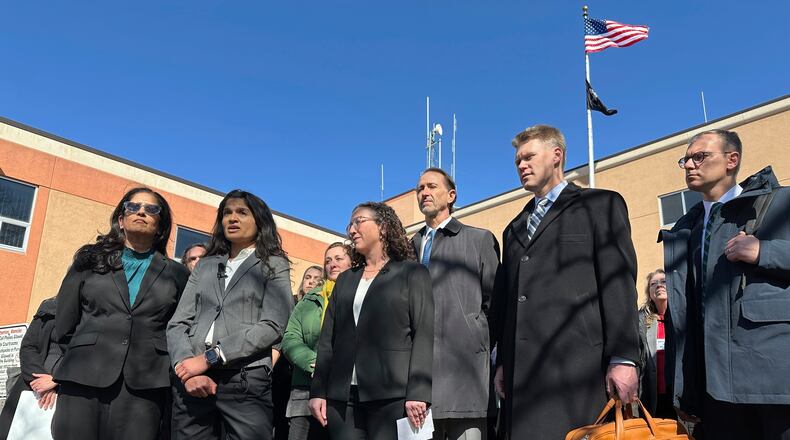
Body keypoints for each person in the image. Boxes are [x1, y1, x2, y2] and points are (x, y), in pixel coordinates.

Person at [491, 125, 640, 440]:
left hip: (579, 370)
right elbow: (510, 300)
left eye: (529, 157)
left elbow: (618, 284)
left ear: (556, 155)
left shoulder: (600, 205)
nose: (521, 166)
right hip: (524, 375)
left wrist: (624, 358)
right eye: (517, 160)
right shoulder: (513, 228)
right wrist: (503, 361)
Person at [660, 129, 790, 439]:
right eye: (686, 159)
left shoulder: (779, 202)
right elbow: (683, 314)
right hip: (714, 389)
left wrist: (764, 251)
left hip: (775, 383)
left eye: (700, 156)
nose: (690, 165)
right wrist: (684, 388)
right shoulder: (684, 229)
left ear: (732, 160)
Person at [51, 187, 190, 440]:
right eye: (133, 207)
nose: (141, 212)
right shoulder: (90, 260)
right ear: (121, 220)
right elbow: (64, 322)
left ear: (160, 226)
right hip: (82, 376)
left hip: (144, 385)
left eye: (151, 209)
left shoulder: (177, 274)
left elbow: (179, 328)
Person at [167, 189, 294, 440]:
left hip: (245, 379)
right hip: (192, 378)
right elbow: (178, 323)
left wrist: (211, 357)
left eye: (242, 212)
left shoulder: (274, 264)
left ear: (259, 220)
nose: (232, 218)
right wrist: (185, 368)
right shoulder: (205, 265)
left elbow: (274, 324)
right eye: (227, 213)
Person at [308, 202, 434, 440]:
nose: (352, 230)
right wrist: (318, 390)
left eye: (359, 221)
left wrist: (418, 392)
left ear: (383, 227)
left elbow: (424, 334)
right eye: (350, 224)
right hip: (342, 397)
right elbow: (327, 339)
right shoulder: (345, 280)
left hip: (393, 395)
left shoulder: (412, 273)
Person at [410, 167, 500, 440]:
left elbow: (495, 303)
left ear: (451, 195)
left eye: (432, 186)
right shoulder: (408, 247)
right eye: (420, 188)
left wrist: (476, 338)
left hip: (465, 377)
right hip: (417, 381)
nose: (424, 192)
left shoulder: (478, 239)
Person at [282, 242, 353, 440]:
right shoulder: (309, 299)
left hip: (345, 390)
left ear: (352, 262)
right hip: (306, 387)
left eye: (339, 259)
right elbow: (290, 338)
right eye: (328, 260)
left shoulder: (360, 296)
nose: (332, 264)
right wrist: (314, 363)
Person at [0, 297, 62, 439]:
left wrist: (57, 379)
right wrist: (41, 382)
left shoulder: (96, 314)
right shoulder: (50, 305)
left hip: (71, 390)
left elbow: (95, 356)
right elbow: (28, 346)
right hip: (32, 384)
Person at [638, 269, 673, 418]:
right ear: (650, 294)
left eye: (663, 281)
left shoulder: (684, 317)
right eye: (654, 283)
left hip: (678, 396)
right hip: (652, 396)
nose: (659, 285)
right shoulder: (642, 320)